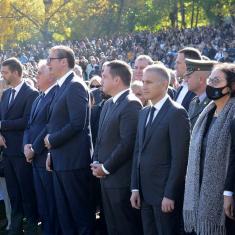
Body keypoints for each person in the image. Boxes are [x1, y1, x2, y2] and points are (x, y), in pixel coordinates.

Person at [130, 64, 190, 235]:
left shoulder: (177, 113)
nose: (144, 86)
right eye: (143, 82)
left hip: (164, 195)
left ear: (164, 84)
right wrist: (135, 187)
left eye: (149, 82)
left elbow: (180, 158)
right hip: (144, 193)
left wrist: (170, 194)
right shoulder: (144, 112)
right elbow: (138, 152)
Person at [44, 45, 94, 235]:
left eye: (51, 59)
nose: (48, 63)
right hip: (61, 160)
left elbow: (77, 123)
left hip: (73, 162)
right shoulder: (61, 86)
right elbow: (56, 123)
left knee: (80, 215)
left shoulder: (75, 85)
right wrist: (52, 153)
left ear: (64, 62)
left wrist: (52, 141)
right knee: (65, 216)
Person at [91, 60, 143, 235]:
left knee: (125, 227)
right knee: (112, 227)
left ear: (117, 80)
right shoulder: (108, 104)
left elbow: (127, 143)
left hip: (120, 180)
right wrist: (96, 162)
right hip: (105, 178)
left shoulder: (131, 103)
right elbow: (100, 139)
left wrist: (105, 168)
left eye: (105, 76)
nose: (101, 80)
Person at [183, 63, 235, 235]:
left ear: (230, 87)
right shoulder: (207, 112)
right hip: (200, 188)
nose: (211, 84)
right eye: (210, 79)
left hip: (226, 194)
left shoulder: (232, 114)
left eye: (216, 80)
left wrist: (228, 191)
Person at [0, 57, 39, 235]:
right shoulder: (6, 94)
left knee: (26, 191)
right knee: (13, 192)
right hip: (7, 152)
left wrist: (2, 126)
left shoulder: (31, 93)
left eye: (5, 72)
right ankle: (15, 226)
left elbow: (27, 121)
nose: (2, 75)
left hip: (21, 152)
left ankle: (31, 224)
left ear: (16, 72)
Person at [23, 60, 59, 235]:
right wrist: (25, 146)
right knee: (43, 202)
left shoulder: (55, 96)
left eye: (39, 73)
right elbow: (29, 126)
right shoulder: (39, 97)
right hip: (35, 158)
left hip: (46, 157)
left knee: (52, 203)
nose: (35, 76)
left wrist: (34, 148)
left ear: (51, 75)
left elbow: (49, 126)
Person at [185, 59, 215, 129]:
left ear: (201, 79)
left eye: (189, 77)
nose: (186, 80)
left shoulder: (213, 103)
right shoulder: (194, 101)